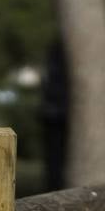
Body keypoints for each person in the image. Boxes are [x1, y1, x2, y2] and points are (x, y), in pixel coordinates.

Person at [40, 39, 69, 192]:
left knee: (55, 161)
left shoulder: (55, 53)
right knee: (56, 161)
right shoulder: (60, 53)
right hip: (58, 112)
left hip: (55, 111)